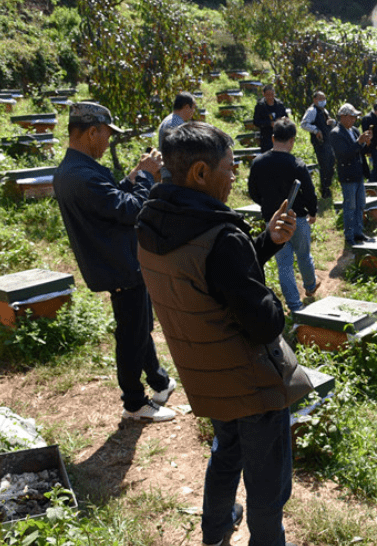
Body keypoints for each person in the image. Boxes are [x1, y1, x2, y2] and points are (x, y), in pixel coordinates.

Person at [135, 121, 300, 546]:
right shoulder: (222, 236)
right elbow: (264, 320)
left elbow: (207, 280)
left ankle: (215, 530)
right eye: (230, 167)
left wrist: (264, 243)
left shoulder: (153, 221)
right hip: (251, 382)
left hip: (206, 373)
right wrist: (274, 299)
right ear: (201, 174)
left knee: (226, 453)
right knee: (267, 487)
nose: (235, 176)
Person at [54, 102, 175, 423]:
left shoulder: (76, 170)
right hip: (119, 263)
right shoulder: (82, 175)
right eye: (106, 134)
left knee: (137, 327)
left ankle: (160, 382)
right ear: (92, 132)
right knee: (131, 334)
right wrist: (148, 177)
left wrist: (135, 173)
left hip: (117, 261)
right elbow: (132, 209)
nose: (108, 141)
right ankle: (134, 403)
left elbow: (111, 199)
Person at [248, 117, 320, 313]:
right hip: (297, 219)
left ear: (272, 138)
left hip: (273, 221)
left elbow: (253, 191)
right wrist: (312, 211)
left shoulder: (258, 163)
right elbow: (310, 192)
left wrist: (266, 205)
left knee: (284, 264)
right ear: (292, 140)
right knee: (304, 256)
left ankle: (295, 306)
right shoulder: (296, 164)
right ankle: (310, 286)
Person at [330, 103, 372, 246]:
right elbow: (344, 155)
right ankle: (349, 235)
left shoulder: (354, 130)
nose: (354, 119)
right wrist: (358, 142)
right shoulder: (336, 133)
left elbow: (359, 151)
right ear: (343, 116)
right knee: (350, 206)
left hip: (358, 172)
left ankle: (358, 232)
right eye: (352, 116)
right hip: (347, 174)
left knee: (361, 204)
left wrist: (365, 143)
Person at [300, 90, 335, 198]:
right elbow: (304, 124)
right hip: (320, 143)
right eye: (320, 99)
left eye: (324, 98)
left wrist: (331, 122)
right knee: (324, 166)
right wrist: (316, 130)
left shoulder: (324, 110)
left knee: (331, 164)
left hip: (328, 142)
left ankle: (327, 187)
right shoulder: (312, 110)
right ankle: (324, 190)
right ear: (314, 100)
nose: (323, 101)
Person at [253, 84, 288, 152]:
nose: (270, 97)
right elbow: (256, 121)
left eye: (272, 94)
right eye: (268, 94)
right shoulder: (260, 106)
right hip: (266, 137)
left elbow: (286, 117)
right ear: (264, 94)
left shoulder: (279, 105)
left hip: (279, 136)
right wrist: (269, 123)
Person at [361, 100, 377, 181]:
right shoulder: (368, 118)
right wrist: (369, 148)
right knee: (375, 169)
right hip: (372, 148)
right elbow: (367, 135)